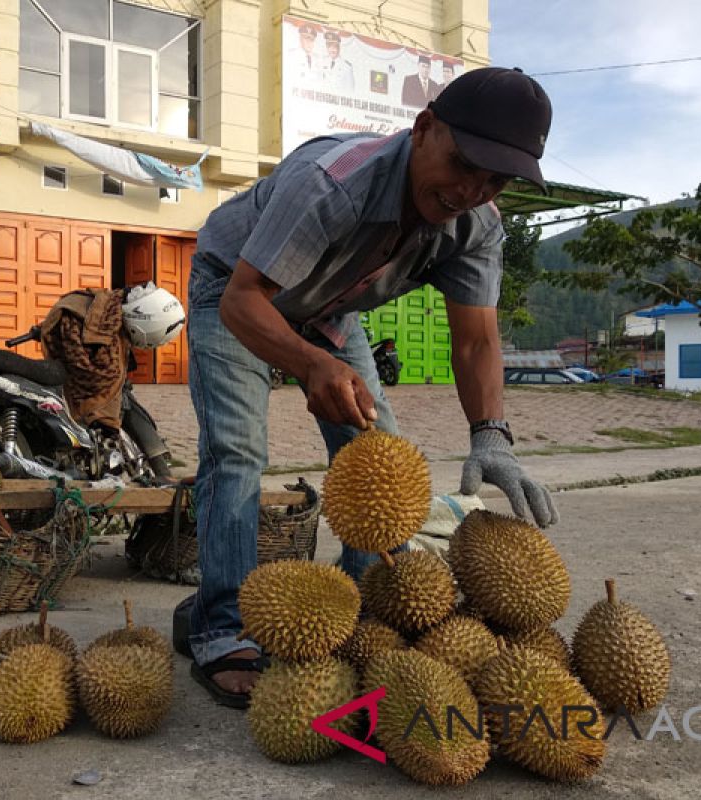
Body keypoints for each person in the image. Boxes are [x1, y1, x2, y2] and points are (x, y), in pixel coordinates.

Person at [184, 67, 559, 708]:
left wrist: (491, 437)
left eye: (494, 179)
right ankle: (221, 629)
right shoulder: (332, 184)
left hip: (331, 305)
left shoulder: (478, 225)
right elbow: (249, 302)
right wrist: (309, 366)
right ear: (424, 128)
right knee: (238, 450)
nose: (471, 189)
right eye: (464, 162)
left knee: (378, 450)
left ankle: (361, 604)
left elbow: (475, 341)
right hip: (235, 287)